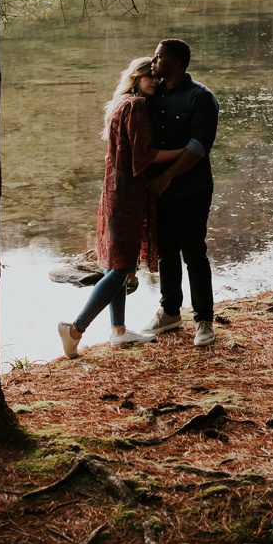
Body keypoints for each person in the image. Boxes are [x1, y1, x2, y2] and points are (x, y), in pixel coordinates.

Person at [59, 57, 184, 358]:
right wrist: (186, 150)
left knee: (119, 265)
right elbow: (145, 155)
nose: (156, 81)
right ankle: (75, 329)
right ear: (136, 77)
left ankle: (118, 332)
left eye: (157, 77)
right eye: (149, 76)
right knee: (120, 269)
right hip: (127, 194)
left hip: (116, 190)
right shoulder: (136, 106)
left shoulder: (122, 103)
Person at [145, 37, 220, 347]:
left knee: (194, 253)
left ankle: (204, 320)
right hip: (159, 190)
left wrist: (168, 176)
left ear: (177, 63)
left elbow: (198, 146)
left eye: (159, 57)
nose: (153, 60)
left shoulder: (200, 98)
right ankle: (170, 312)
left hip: (192, 189)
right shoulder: (154, 94)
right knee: (165, 252)